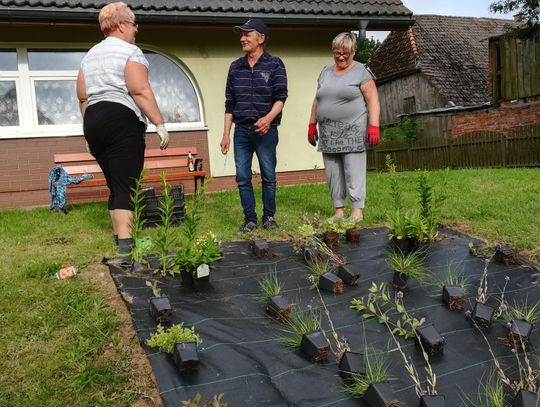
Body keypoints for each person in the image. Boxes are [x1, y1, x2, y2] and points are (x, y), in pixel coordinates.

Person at [76, 1, 169, 264]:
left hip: (93, 120)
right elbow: (139, 89)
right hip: (121, 119)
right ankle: (127, 251)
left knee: (115, 184)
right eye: (133, 24)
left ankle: (121, 238)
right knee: (128, 184)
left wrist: (88, 131)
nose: (136, 30)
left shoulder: (90, 55)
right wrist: (159, 123)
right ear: (120, 25)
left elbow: (83, 97)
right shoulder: (130, 51)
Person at [220, 19, 288, 233]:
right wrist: (225, 135)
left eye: (247, 34)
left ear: (261, 38)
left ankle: (269, 218)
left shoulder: (275, 64)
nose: (242, 38)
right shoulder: (235, 67)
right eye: (241, 34)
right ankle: (250, 220)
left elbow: (281, 98)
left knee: (269, 176)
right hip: (241, 131)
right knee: (242, 177)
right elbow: (229, 104)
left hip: (266, 132)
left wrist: (268, 119)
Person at [307, 32, 380, 223]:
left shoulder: (361, 72)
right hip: (328, 133)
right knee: (333, 172)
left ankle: (356, 212)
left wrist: (374, 126)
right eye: (337, 52)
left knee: (353, 171)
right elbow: (318, 100)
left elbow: (373, 100)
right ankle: (338, 211)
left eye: (345, 53)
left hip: (353, 132)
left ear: (353, 52)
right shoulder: (325, 72)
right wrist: (311, 124)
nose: (340, 56)